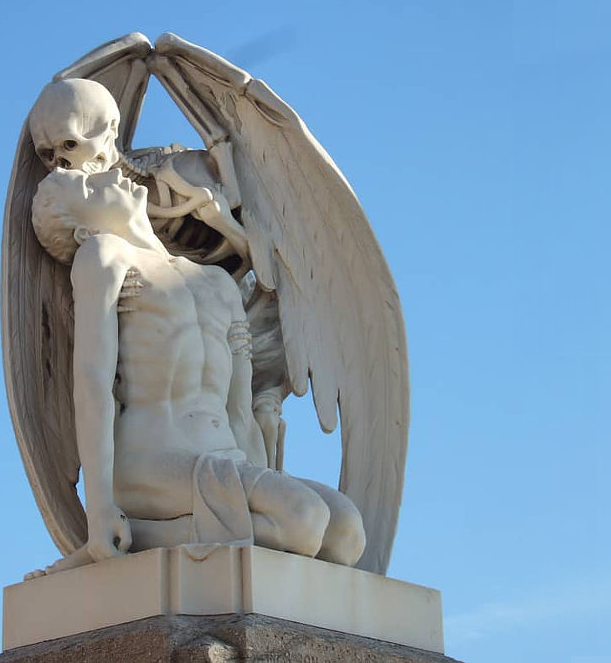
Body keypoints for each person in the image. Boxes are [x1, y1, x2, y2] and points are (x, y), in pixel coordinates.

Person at [25, 167, 364, 578]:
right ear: (82, 232)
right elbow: (92, 383)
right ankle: (127, 535)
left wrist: (265, 479)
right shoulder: (103, 257)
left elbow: (238, 410)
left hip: (226, 460)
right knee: (303, 521)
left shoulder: (217, 281)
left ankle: (152, 534)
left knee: (346, 533)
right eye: (85, 185)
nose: (107, 176)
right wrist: (98, 510)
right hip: (152, 461)